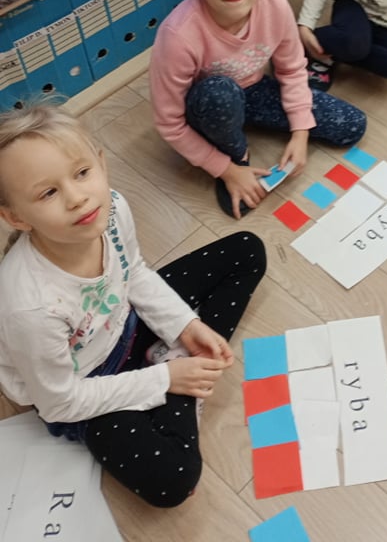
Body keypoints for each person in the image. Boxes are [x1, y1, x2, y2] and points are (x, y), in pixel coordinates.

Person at [0, 104, 266, 507]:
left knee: (247, 249)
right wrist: (166, 379)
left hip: (125, 323)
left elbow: (133, 272)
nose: (77, 198)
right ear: (17, 217)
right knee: (174, 480)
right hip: (86, 384)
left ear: (101, 163)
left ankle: (178, 360)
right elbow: (60, 402)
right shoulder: (30, 308)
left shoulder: (110, 208)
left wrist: (185, 326)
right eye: (48, 193)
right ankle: (178, 373)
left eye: (82, 172)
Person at [149, 0, 366, 221]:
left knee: (352, 125)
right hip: (208, 106)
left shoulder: (275, 4)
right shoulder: (178, 35)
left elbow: (292, 68)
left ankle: (248, 123)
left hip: (254, 90)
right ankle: (236, 152)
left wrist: (300, 132)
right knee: (220, 93)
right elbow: (170, 123)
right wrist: (226, 169)